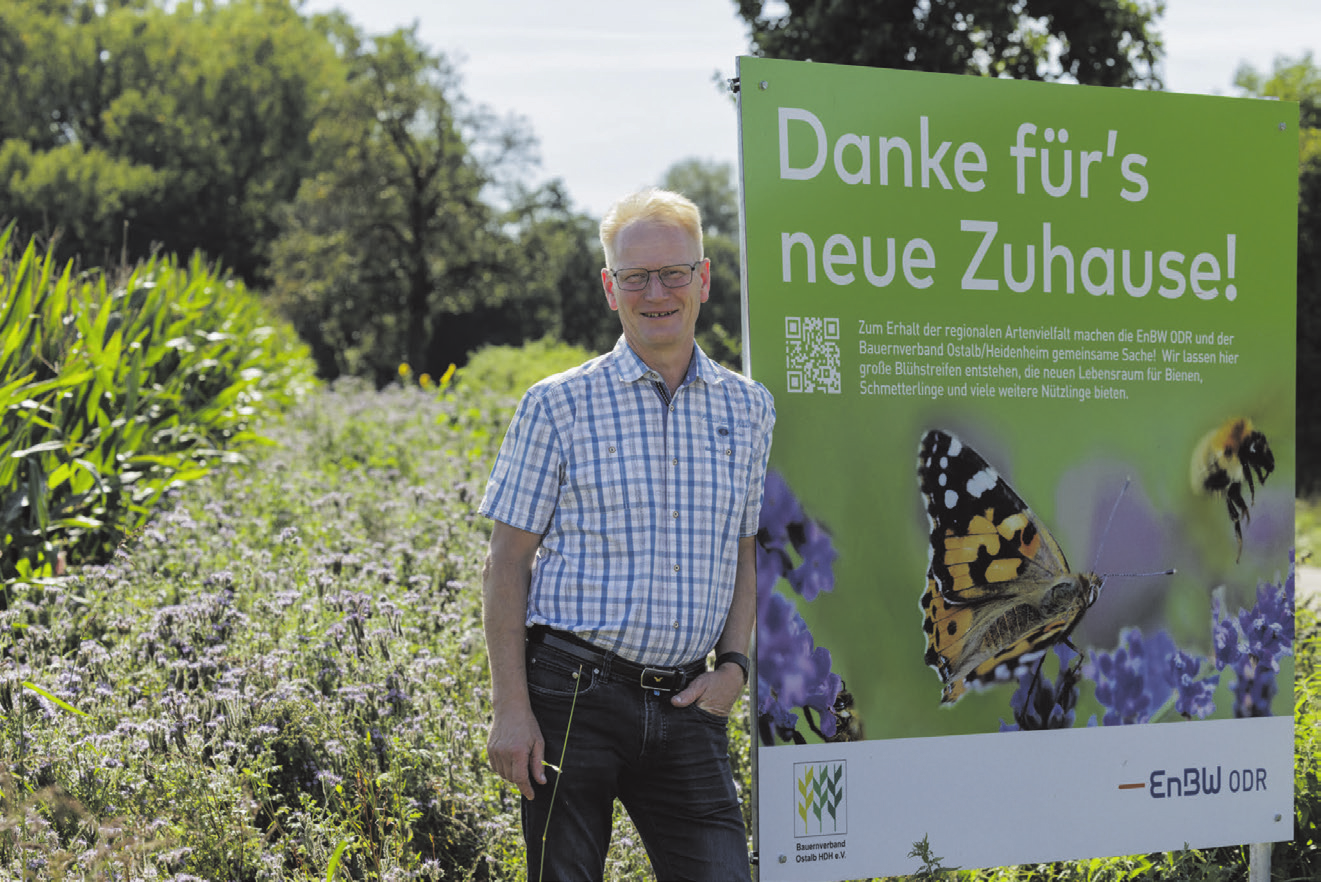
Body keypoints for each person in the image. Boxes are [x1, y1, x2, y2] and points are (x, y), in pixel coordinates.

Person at [478, 187, 775, 881]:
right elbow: (505, 564)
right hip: (569, 695)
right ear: (611, 289)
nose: (656, 292)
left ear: (702, 279)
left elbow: (743, 548)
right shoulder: (556, 404)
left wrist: (732, 667)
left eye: (673, 273)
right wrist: (510, 711)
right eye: (635, 277)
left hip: (686, 703)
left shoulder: (749, 408)